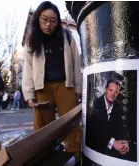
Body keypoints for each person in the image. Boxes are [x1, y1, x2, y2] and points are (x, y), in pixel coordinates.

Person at [22, 0, 82, 160]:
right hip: (42, 87)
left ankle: (76, 157)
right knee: (42, 127)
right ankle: (44, 158)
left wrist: (78, 90)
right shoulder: (31, 40)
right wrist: (29, 94)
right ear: (38, 19)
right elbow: (27, 68)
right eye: (44, 19)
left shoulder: (67, 36)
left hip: (65, 85)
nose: (48, 24)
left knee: (72, 126)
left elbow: (76, 63)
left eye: (53, 20)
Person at [86, 79, 129, 158]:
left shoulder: (118, 106)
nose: (113, 94)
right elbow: (96, 130)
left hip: (111, 149)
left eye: (116, 92)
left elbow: (121, 126)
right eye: (110, 90)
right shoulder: (97, 103)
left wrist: (125, 142)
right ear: (106, 90)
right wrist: (113, 143)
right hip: (96, 146)